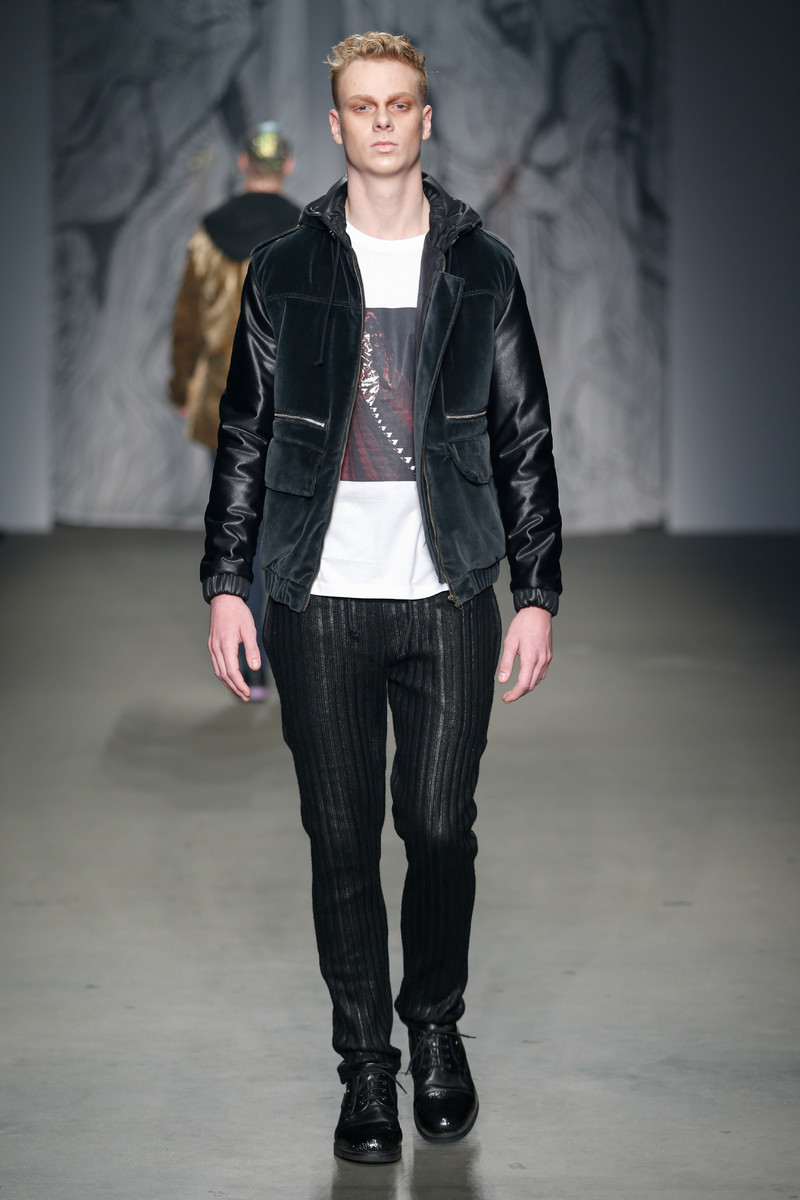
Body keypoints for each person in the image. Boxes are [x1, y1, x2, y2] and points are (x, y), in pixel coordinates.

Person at [200, 32, 562, 1163]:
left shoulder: (482, 267)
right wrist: (227, 583)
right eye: (363, 106)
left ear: (426, 117)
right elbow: (246, 432)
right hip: (317, 599)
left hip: (447, 593)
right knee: (341, 839)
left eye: (400, 104)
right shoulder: (283, 269)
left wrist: (537, 591)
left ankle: (435, 1032)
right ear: (336, 125)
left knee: (440, 827)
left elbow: (523, 436)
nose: (384, 123)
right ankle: (367, 1067)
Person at [171, 123, 300, 699]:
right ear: (287, 167)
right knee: (284, 530)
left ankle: (249, 664)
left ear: (243, 163)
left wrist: (181, 387)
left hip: (222, 404)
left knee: (235, 524)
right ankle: (285, 654)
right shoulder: (308, 233)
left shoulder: (207, 235)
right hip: (290, 404)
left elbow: (187, 322)